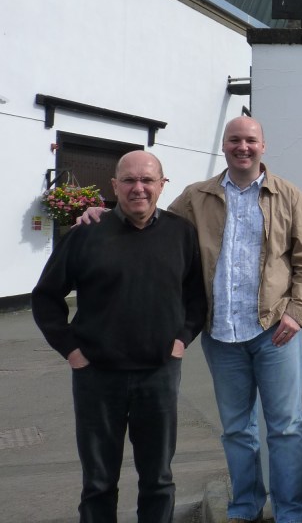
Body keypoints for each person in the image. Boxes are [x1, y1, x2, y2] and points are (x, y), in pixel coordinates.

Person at [80, 116, 302, 523]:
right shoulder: (197, 196)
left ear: (263, 146)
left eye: (249, 140)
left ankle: (290, 514)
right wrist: (102, 213)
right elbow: (148, 224)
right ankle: (245, 508)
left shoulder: (289, 196)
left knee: (285, 428)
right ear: (225, 146)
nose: (241, 147)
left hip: (274, 332)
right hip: (221, 334)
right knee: (236, 431)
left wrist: (298, 314)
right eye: (234, 140)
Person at [33, 150, 207, 523]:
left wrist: (182, 339)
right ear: (114, 186)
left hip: (158, 376)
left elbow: (197, 298)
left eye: (147, 180)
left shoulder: (182, 234)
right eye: (129, 180)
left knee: (158, 479)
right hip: (97, 378)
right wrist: (72, 351)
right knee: (98, 482)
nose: (138, 188)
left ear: (162, 185)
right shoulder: (85, 235)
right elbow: (45, 298)